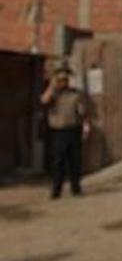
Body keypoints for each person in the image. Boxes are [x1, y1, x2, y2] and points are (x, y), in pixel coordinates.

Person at [40, 63, 90, 199]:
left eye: (65, 80)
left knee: (75, 161)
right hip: (58, 132)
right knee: (58, 162)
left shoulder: (76, 94)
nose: (63, 82)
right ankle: (56, 191)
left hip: (73, 130)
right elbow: (44, 101)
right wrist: (52, 85)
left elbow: (82, 112)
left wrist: (86, 126)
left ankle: (76, 188)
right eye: (61, 80)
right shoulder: (53, 95)